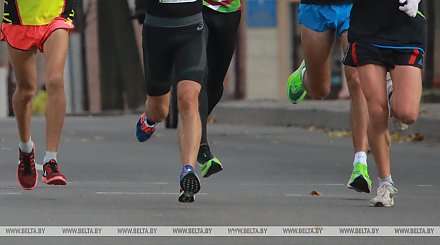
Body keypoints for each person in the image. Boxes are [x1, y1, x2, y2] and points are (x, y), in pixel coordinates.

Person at [343, 0, 426, 207]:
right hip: (367, 30)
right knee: (377, 110)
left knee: (406, 113)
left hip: (405, 27)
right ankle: (385, 183)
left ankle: (392, 93)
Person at [286, 0, 372, 193]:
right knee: (320, 91)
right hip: (317, 7)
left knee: (357, 80)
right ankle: (304, 74)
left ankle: (360, 163)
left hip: (354, 7)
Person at [135, 0, 206, 203]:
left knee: (188, 97)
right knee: (160, 111)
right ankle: (149, 119)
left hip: (192, 28)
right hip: (156, 31)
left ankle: (188, 171)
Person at [1, 0, 75, 190]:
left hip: (56, 15)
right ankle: (25, 149)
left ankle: (51, 161)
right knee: (26, 90)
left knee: (55, 80)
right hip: (19, 18)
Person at [197, 0, 241, 178]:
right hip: (196, 8)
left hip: (228, 10)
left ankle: (193, 122)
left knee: (214, 87)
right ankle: (202, 148)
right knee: (200, 76)